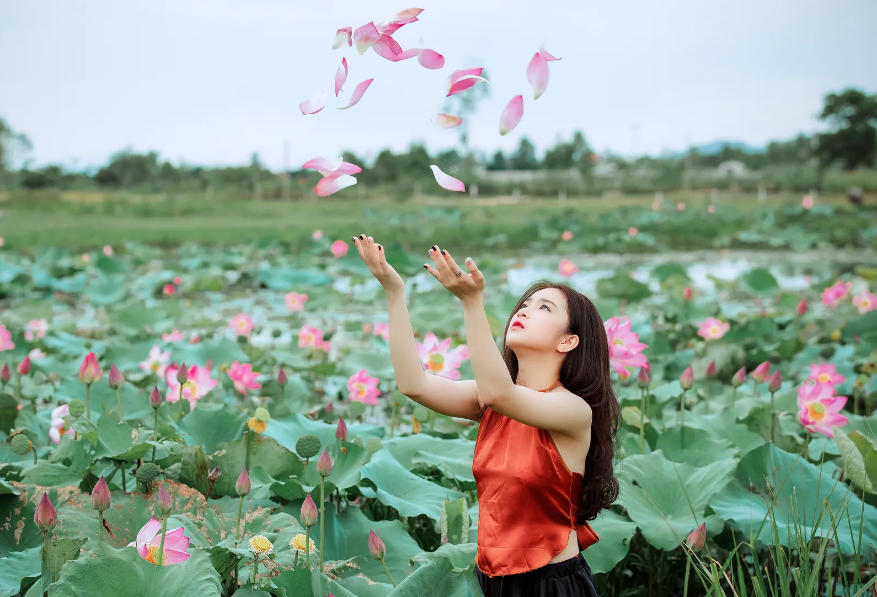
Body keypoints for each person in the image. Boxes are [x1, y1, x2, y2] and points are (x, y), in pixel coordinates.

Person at [352, 234, 620, 597]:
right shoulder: (491, 402)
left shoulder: (572, 409)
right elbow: (414, 384)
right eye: (525, 304)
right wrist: (394, 291)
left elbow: (500, 393)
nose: (524, 310)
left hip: (552, 582)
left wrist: (471, 301)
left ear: (568, 341)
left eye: (544, 308)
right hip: (493, 581)